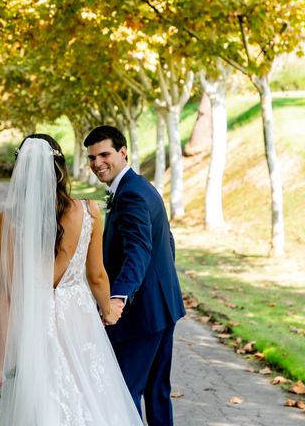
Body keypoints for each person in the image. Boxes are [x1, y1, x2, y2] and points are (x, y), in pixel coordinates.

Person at [0, 134, 142, 426]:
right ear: (60, 170)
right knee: (95, 402)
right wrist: (108, 310)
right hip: (80, 322)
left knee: (42, 406)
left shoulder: (8, 221)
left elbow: (6, 296)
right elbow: (97, 276)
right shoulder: (88, 211)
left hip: (34, 327)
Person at [84, 125, 186, 426]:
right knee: (157, 392)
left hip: (141, 313)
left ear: (122, 152)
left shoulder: (131, 195)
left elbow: (139, 249)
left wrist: (118, 298)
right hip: (162, 307)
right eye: (91, 157)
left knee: (124, 392)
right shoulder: (139, 187)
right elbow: (166, 241)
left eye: (104, 154)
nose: (97, 163)